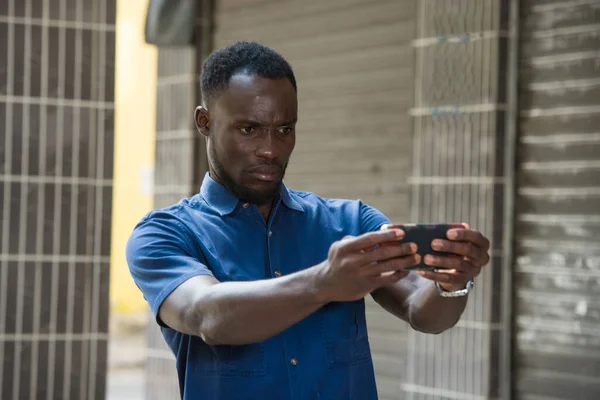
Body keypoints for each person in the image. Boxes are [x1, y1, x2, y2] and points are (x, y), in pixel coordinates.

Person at [126, 41, 491, 400]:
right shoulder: (164, 234)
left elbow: (422, 312)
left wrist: (451, 283)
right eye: (249, 129)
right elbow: (206, 315)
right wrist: (325, 282)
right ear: (204, 122)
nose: (270, 149)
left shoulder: (351, 221)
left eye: (285, 129)